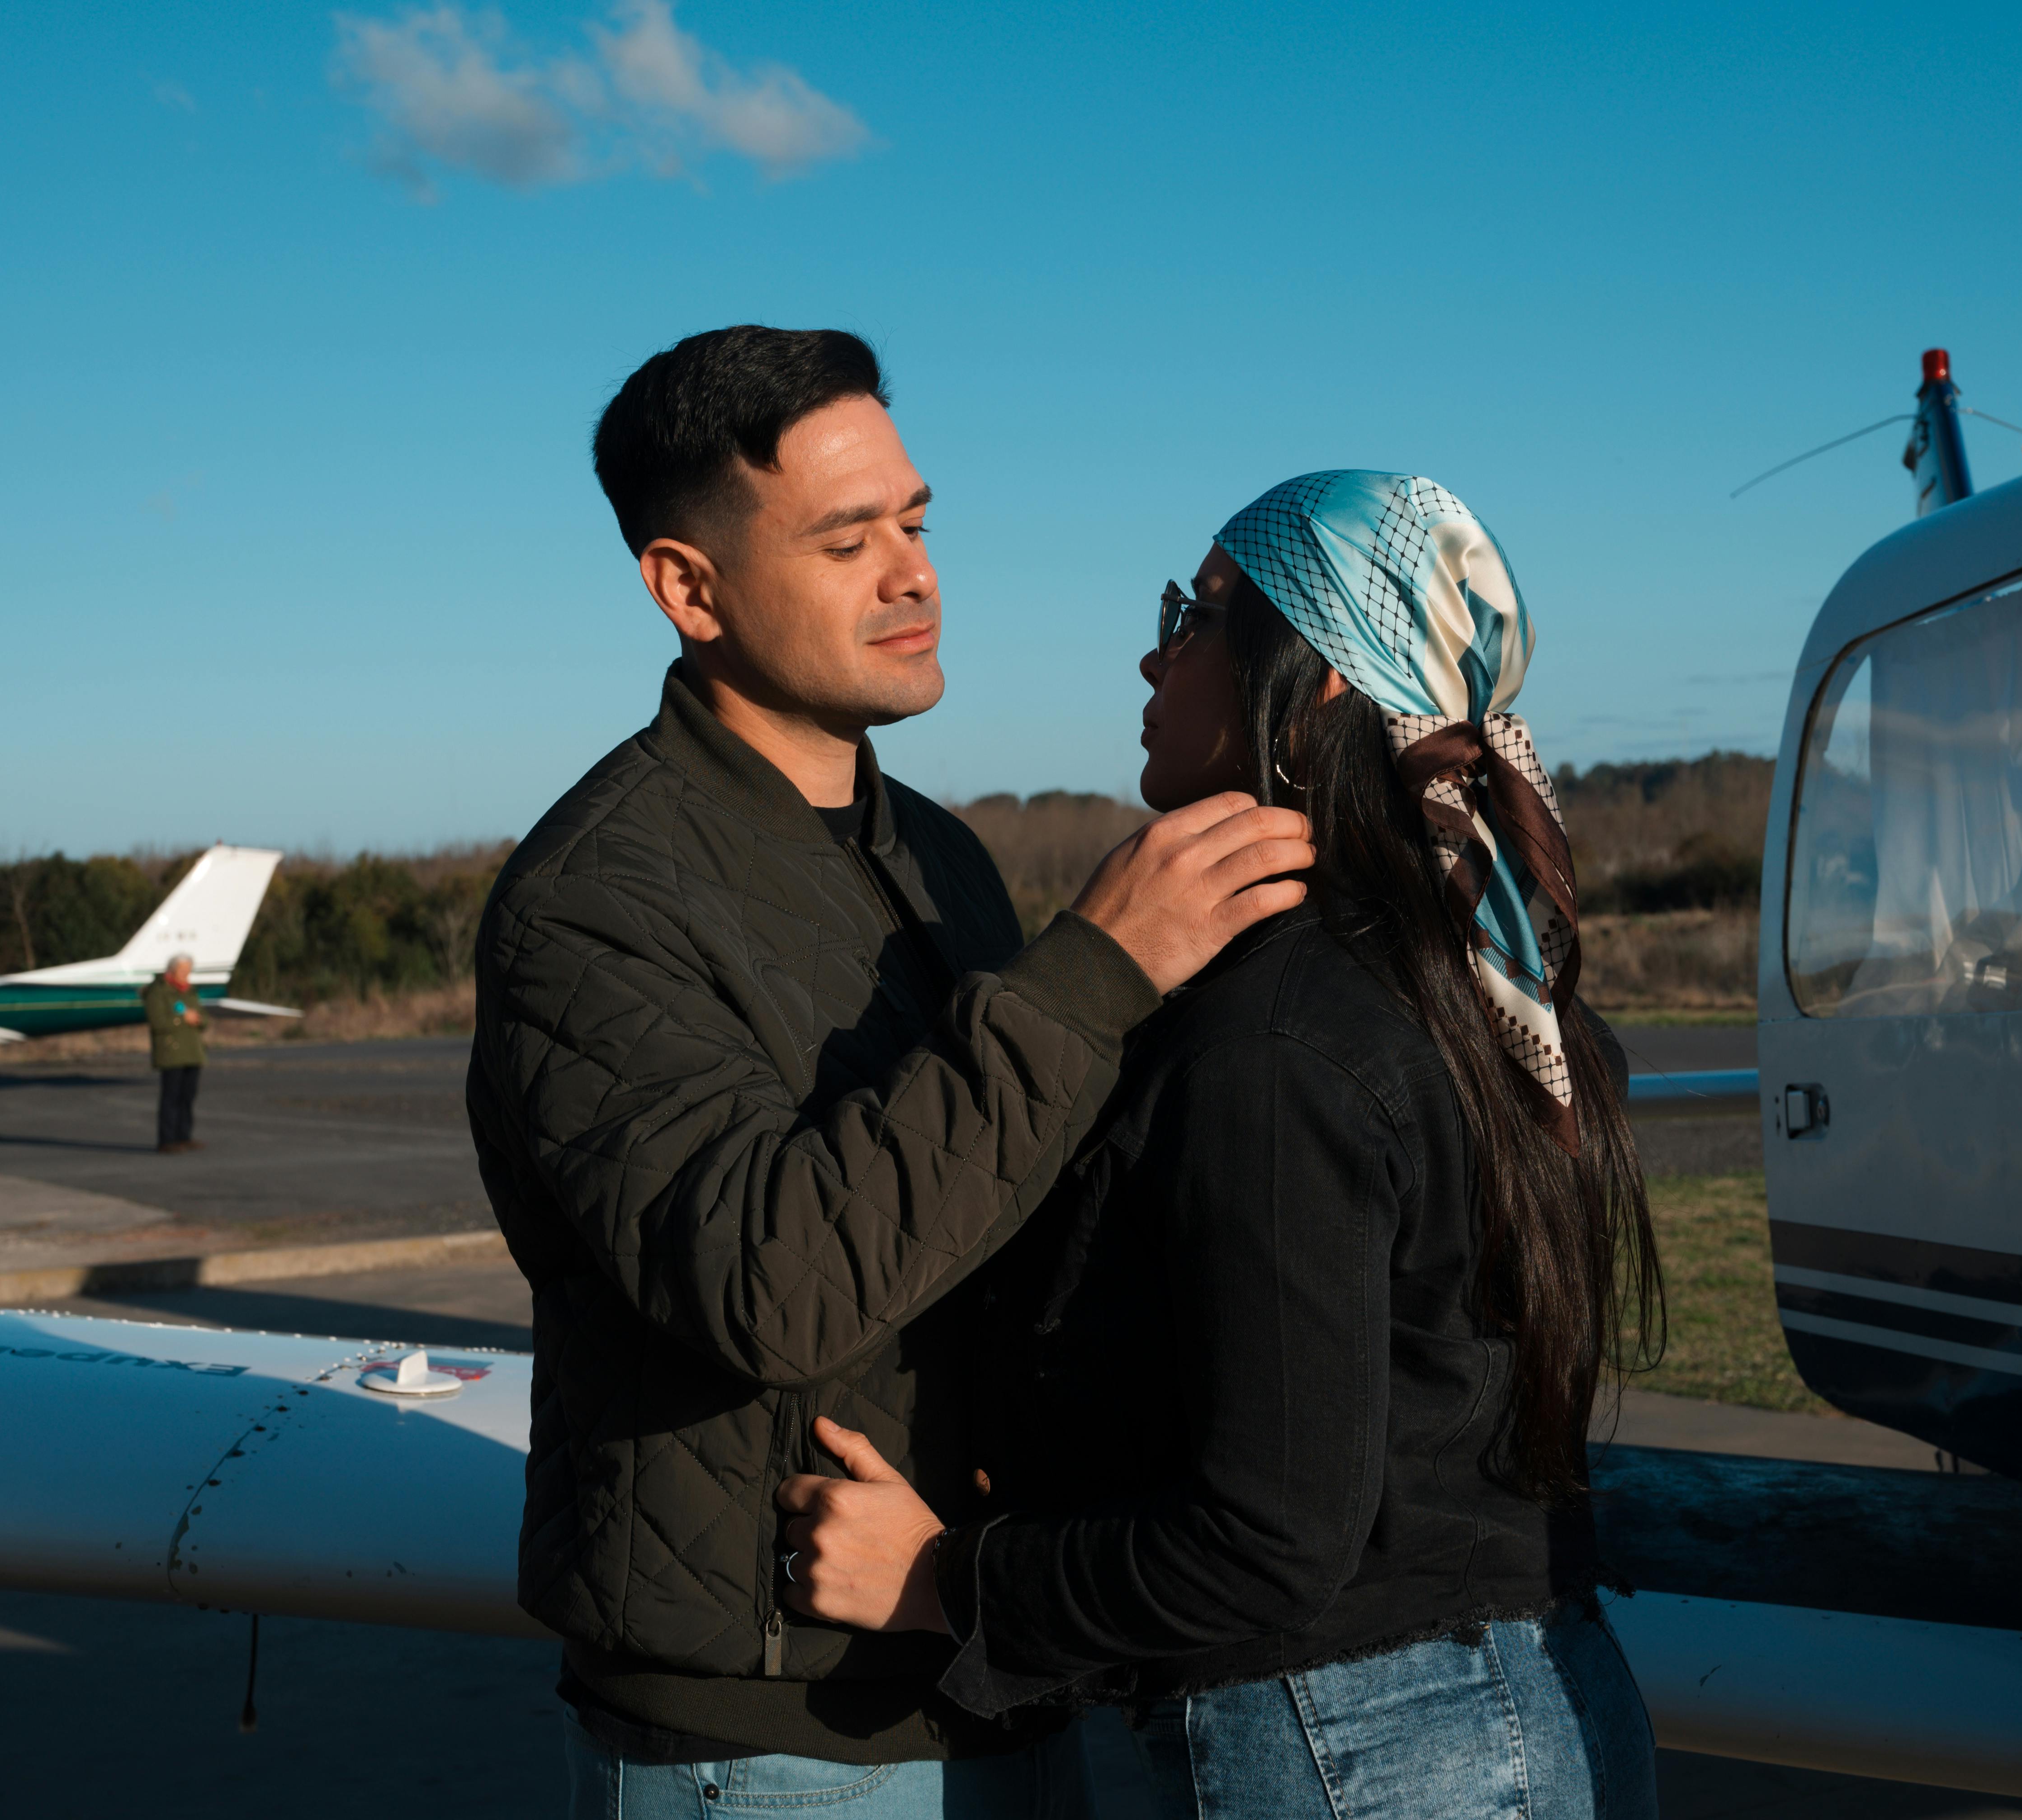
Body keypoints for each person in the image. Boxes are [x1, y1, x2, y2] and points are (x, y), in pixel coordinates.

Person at [466, 327, 1316, 1819]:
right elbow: (767, 1277)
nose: (911, 575)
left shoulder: (943, 857)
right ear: (687, 586)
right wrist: (1090, 977)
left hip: (988, 1667)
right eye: (846, 538)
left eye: (915, 523)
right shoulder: (593, 898)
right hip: (769, 1739)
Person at [774, 472, 1665, 1817]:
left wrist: (945, 1580)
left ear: (1316, 687)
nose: (1155, 649)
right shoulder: (1482, 992)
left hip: (1356, 1745)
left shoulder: (1282, 1037)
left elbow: (1269, 1536)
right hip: (1535, 1699)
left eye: (1197, 611)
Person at [141, 952, 207, 1153]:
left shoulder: (190, 991)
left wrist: (199, 1020)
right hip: (171, 1053)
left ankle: (184, 1137)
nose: (186, 975)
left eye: (188, 971)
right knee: (171, 1097)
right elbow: (157, 1022)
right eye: (182, 971)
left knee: (188, 1097)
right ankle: (167, 1140)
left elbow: (204, 1018)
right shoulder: (158, 991)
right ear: (172, 970)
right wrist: (182, 1020)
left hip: (193, 1052)